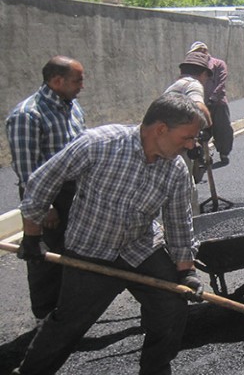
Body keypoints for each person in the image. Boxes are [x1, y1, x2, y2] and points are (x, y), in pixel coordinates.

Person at [13, 92, 205, 375]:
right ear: (161, 129)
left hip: (140, 248)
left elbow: (178, 221)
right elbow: (42, 181)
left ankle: (155, 369)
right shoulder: (99, 144)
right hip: (91, 249)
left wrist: (186, 270)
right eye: (187, 137)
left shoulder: (175, 169)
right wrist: (32, 235)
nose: (192, 145)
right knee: (68, 323)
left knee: (171, 307)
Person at [6, 56, 86, 323]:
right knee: (45, 259)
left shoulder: (73, 107)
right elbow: (28, 171)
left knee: (73, 251)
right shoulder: (27, 115)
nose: (82, 86)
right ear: (56, 81)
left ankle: (69, 312)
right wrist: (45, 206)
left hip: (73, 192)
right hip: (47, 197)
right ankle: (46, 318)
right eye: (78, 80)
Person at [165, 50, 213, 213]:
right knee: (187, 189)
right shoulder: (193, 84)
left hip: (162, 143)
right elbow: (198, 107)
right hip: (175, 145)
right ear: (203, 74)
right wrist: (208, 125)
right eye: (207, 77)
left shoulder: (175, 86)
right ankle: (193, 227)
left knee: (170, 190)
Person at [188, 41, 233, 166]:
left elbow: (221, 82)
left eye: (201, 51)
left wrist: (213, 98)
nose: (200, 54)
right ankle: (201, 155)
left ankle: (224, 152)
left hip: (217, 103)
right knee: (200, 131)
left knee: (222, 129)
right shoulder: (194, 68)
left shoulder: (218, 64)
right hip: (200, 102)